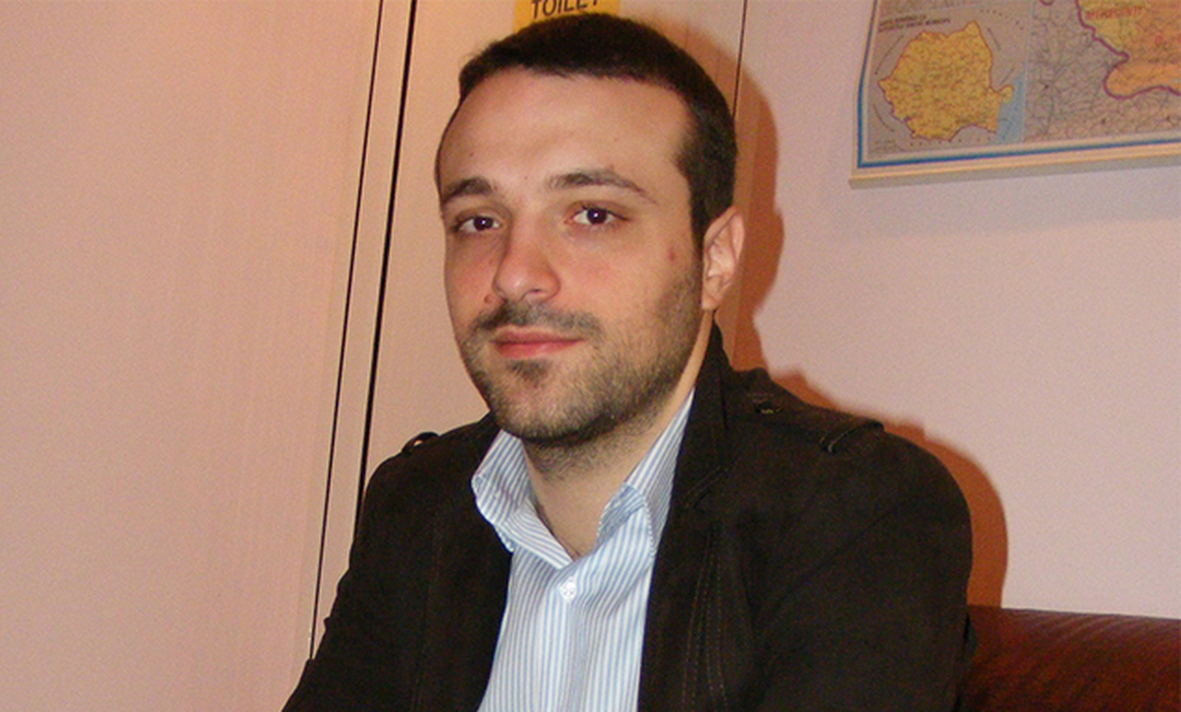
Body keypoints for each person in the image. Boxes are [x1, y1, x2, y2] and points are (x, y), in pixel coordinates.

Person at [284, 13, 973, 712]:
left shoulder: (854, 512)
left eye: (592, 215)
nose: (515, 273)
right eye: (479, 221)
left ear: (715, 260)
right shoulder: (417, 508)